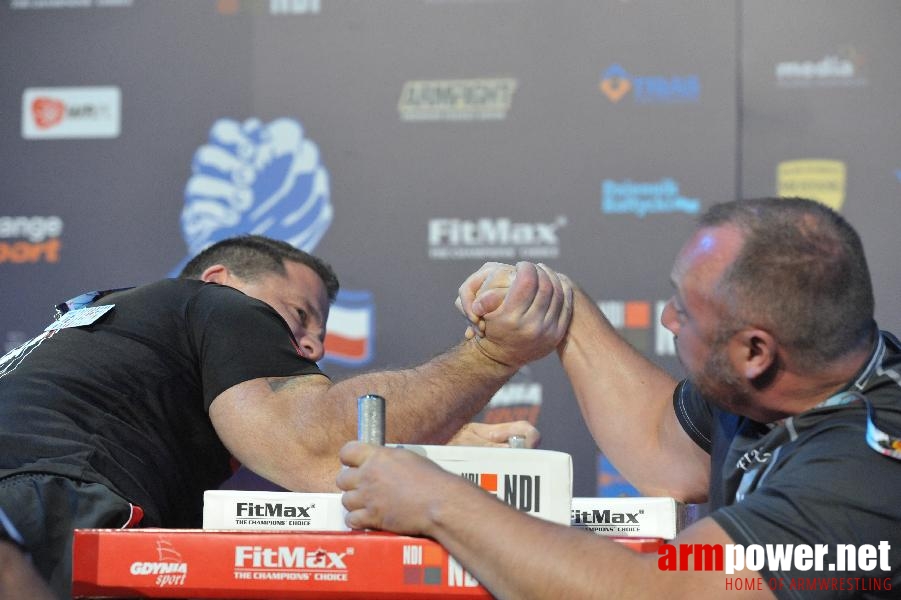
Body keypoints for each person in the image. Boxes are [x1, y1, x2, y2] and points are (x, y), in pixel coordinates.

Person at [338, 197, 901, 599]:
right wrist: (557, 304)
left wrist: (439, 501)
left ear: (755, 351)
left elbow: (655, 592)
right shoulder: (780, 383)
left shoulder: (865, 473)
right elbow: (662, 451)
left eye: (684, 308)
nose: (666, 318)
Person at [0, 234, 573, 599]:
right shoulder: (215, 306)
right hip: (44, 510)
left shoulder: (96, 340)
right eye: (298, 315)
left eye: (320, 332)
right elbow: (313, 454)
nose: (313, 346)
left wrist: (440, 442)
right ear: (221, 282)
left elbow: (270, 480)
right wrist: (493, 354)